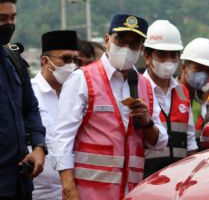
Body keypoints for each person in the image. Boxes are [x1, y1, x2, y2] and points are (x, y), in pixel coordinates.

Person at [51, 14, 168, 200]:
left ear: (141, 48)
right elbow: (62, 137)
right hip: (89, 193)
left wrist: (146, 122)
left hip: (131, 192)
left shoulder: (145, 85)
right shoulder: (83, 79)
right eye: (121, 40)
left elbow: (160, 142)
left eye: (134, 43)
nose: (127, 48)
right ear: (107, 40)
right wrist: (68, 186)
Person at [0, 0, 46, 199]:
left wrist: (38, 147)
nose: (9, 25)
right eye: (2, 18)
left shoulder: (14, 59)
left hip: (19, 183)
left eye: (12, 18)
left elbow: (30, 108)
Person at [142, 20, 197, 178]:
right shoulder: (138, 89)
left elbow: (190, 139)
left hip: (179, 177)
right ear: (147, 56)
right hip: (147, 178)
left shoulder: (182, 92)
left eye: (173, 55)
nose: (168, 60)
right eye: (161, 54)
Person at [31, 30, 79, 200]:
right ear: (46, 61)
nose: (72, 66)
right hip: (39, 193)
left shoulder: (79, 95)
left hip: (76, 190)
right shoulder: (29, 94)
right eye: (66, 59)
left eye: (75, 60)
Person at [179, 38, 209, 147]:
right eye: (198, 68)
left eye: (208, 70)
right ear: (183, 68)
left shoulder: (202, 102)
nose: (203, 75)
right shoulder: (170, 94)